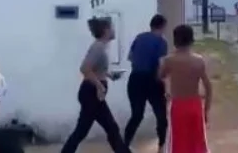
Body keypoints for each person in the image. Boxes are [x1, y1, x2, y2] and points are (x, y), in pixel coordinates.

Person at [60, 17, 131, 153]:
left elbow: (96, 69)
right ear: (106, 30)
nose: (113, 30)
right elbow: (84, 68)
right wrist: (100, 86)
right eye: (112, 27)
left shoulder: (101, 46)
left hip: (92, 93)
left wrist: (109, 75)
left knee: (85, 130)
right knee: (110, 128)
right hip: (91, 93)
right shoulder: (98, 47)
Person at [159, 24, 212, 153]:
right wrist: (206, 110)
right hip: (195, 104)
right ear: (191, 39)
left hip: (178, 105)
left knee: (178, 143)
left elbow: (161, 75)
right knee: (198, 142)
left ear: (175, 40)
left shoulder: (169, 60)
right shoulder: (199, 60)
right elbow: (208, 87)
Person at [123, 14, 168, 150]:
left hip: (135, 79)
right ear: (163, 26)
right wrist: (162, 81)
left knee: (136, 115)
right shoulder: (161, 41)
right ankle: (161, 146)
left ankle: (124, 144)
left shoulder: (139, 37)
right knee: (161, 115)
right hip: (152, 80)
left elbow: (130, 57)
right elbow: (161, 64)